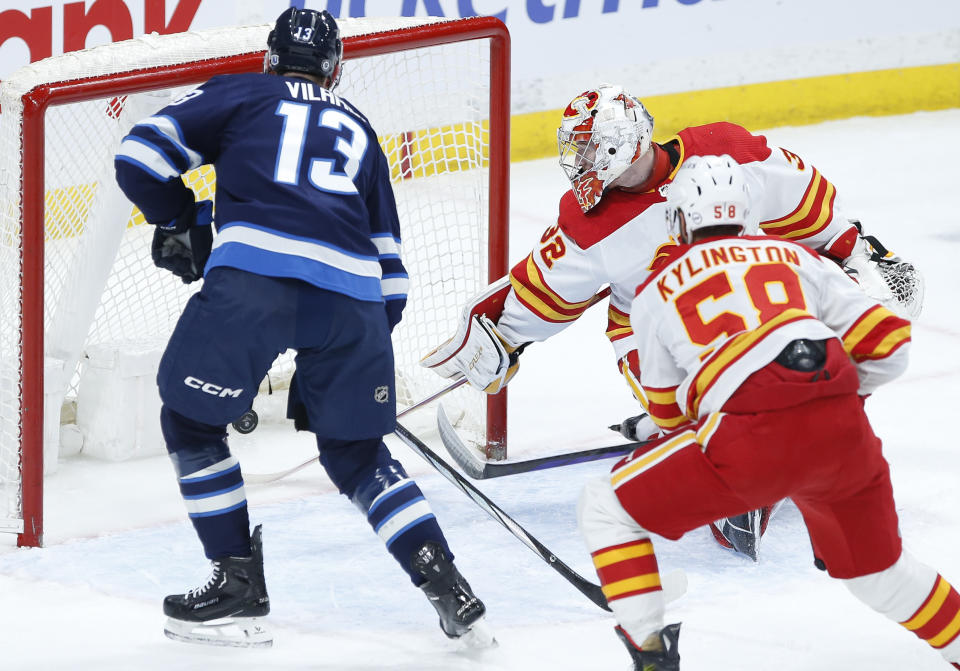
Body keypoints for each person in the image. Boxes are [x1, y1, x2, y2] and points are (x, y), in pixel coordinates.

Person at [114, 7, 491, 648]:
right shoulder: (361, 128)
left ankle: (237, 582)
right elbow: (391, 271)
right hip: (353, 303)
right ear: (335, 69)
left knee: (190, 422)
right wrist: (349, 355)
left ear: (269, 57)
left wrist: (183, 219)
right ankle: (446, 584)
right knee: (357, 453)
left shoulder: (240, 92)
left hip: (252, 286)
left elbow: (139, 155)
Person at [421, 83, 923, 560]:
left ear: (623, 146)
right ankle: (730, 453)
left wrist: (857, 254)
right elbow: (544, 290)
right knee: (706, 414)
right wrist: (501, 335)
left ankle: (791, 427)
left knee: (827, 343)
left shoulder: (728, 151)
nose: (579, 166)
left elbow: (806, 207)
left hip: (748, 301)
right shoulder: (588, 221)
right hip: (651, 324)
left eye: (588, 151)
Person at [576, 155, 958, 670]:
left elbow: (668, 415)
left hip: (747, 441)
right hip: (844, 437)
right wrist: (823, 398)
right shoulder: (801, 258)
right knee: (880, 575)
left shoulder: (654, 290)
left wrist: (741, 408)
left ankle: (649, 653)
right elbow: (890, 343)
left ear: (679, 219)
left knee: (607, 506)